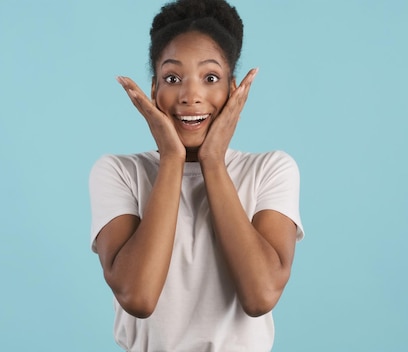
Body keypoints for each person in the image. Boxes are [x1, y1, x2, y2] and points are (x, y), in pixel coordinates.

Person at [89, 0, 304, 350]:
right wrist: (172, 158)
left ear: (233, 90)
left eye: (210, 78)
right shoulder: (119, 172)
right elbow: (138, 297)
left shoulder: (270, 170)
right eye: (172, 78)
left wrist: (213, 161)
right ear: (154, 90)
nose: (191, 95)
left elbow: (260, 295)